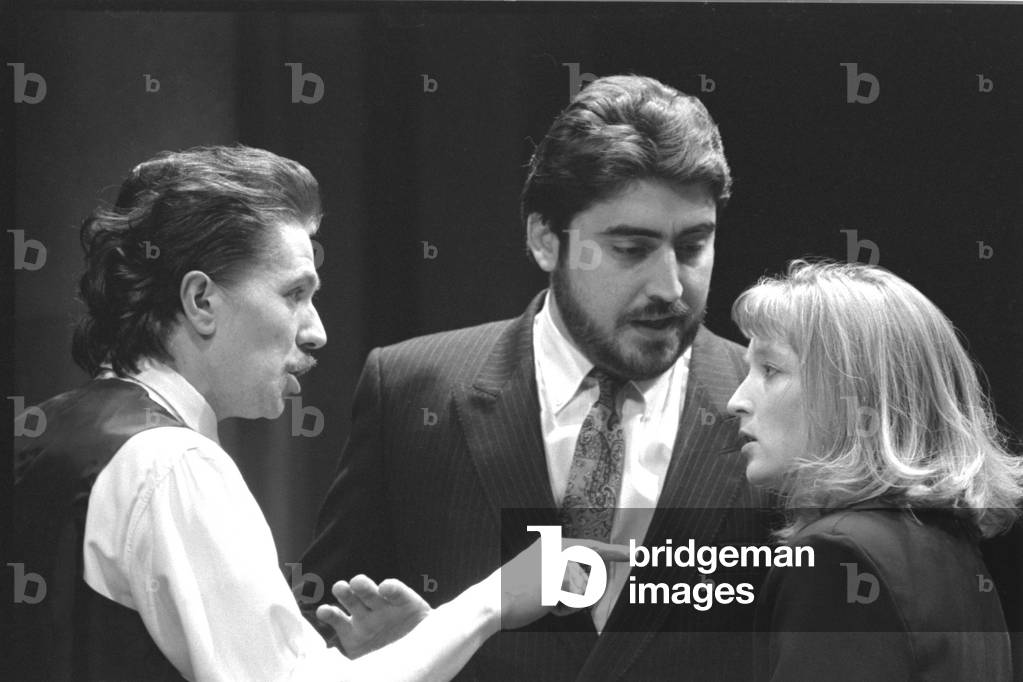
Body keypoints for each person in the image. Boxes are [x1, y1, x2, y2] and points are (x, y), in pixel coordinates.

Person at [10, 145, 623, 682]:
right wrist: (498, 597)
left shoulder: (54, 430)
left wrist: (399, 653)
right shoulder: (173, 465)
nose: (317, 333)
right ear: (201, 299)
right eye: (294, 294)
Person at [300, 74, 776, 680]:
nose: (670, 288)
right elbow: (314, 636)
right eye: (630, 249)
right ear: (545, 240)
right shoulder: (411, 388)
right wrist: (419, 655)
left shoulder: (780, 406)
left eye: (692, 247)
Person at [726, 260, 1023, 681]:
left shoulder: (838, 553)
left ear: (850, 395)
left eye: (770, 370)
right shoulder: (946, 547)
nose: (736, 400)